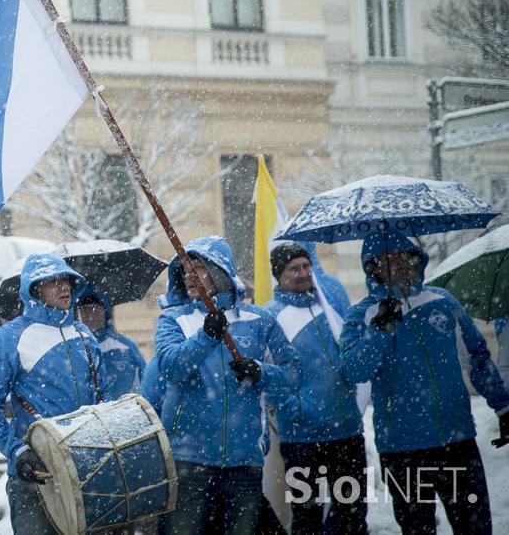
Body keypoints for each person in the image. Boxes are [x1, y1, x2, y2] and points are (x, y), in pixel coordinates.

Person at [340, 229, 509, 534]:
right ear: (373, 268)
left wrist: (503, 407)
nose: (400, 264)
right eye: (388, 260)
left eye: (405, 256)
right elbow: (354, 371)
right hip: (402, 449)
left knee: (476, 527)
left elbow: (478, 357)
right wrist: (379, 328)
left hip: (456, 441)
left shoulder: (442, 301)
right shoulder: (361, 315)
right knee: (418, 529)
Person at [150, 236, 299, 535]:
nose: (189, 275)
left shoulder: (260, 320)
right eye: (184, 269)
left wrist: (260, 372)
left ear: (220, 271)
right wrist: (205, 337)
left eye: (199, 268)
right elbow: (170, 368)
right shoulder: (175, 321)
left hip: (244, 461)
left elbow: (293, 373)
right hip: (188, 460)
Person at [0, 253, 104, 535]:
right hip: (36, 476)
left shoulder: (85, 335)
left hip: (87, 473)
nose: (64, 287)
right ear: (34, 289)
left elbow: (101, 401)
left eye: (67, 280)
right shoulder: (8, 338)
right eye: (53, 282)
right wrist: (18, 451)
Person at [263, 242, 366, 534]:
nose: (303, 273)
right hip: (303, 440)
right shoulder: (271, 316)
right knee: (308, 519)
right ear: (279, 275)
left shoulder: (329, 302)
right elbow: (268, 377)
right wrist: (296, 410)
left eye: (306, 266)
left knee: (354, 516)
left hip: (347, 431)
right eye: (294, 269)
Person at [76, 283, 145, 400]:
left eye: (96, 307)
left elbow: (144, 380)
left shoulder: (125, 346)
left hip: (125, 411)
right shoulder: (75, 346)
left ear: (105, 311)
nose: (91, 313)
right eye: (85, 309)